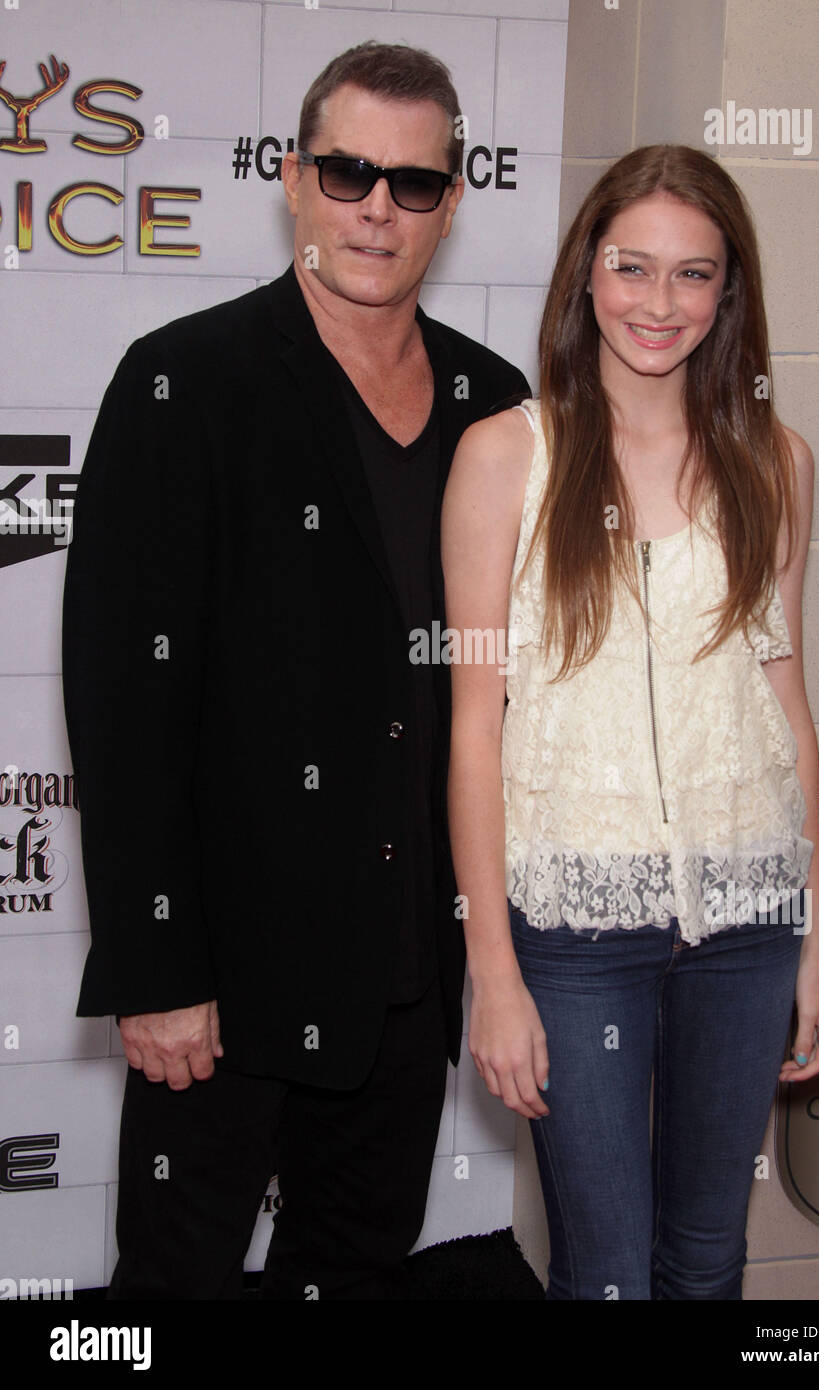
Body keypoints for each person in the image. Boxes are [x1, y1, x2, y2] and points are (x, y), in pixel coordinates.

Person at [62, 40, 528, 1300]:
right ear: (292, 177)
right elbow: (123, 706)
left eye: (413, 182)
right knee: (166, 1292)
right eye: (348, 171)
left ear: (452, 197)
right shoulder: (183, 382)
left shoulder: (498, 410)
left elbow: (505, 702)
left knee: (358, 1276)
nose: (377, 206)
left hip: (404, 980)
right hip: (225, 981)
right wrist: (158, 972)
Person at [441, 144, 819, 1301]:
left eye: (691, 274)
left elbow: (784, 708)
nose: (657, 304)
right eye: (630, 267)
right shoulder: (503, 460)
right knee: (607, 1272)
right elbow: (476, 729)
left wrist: (814, 943)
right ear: (584, 274)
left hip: (749, 917)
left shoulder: (776, 463)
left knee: (709, 1258)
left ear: (727, 294)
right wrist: (493, 971)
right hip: (572, 930)